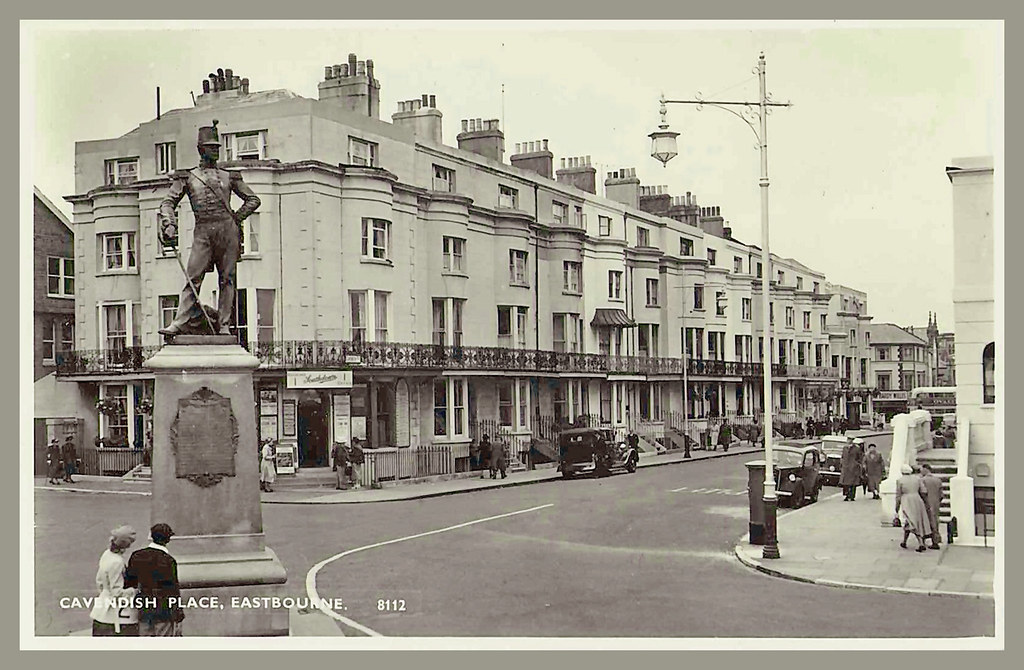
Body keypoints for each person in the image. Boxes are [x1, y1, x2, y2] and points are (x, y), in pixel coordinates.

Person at [157, 120, 261, 338]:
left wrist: (235, 218)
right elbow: (168, 202)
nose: (215, 150)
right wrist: (170, 223)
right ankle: (179, 322)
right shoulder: (188, 176)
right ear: (200, 149)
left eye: (217, 147)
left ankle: (224, 325)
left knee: (227, 279)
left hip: (227, 231)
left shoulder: (229, 176)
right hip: (203, 230)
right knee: (193, 277)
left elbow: (253, 200)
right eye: (210, 147)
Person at [125, 523, 184, 636]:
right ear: (168, 540)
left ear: (151, 536)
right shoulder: (168, 560)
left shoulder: (137, 556)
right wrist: (178, 616)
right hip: (164, 611)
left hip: (144, 608)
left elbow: (130, 583)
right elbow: (173, 590)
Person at [90, 525, 139, 636]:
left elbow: (100, 581)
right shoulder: (117, 562)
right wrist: (135, 591)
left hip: (101, 610)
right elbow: (117, 592)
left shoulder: (107, 555)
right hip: (116, 618)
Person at [894, 465, 931, 552]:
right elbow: (924, 491)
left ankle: (920, 543)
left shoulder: (900, 480)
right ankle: (904, 541)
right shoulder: (917, 479)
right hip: (917, 499)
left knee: (911, 522)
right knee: (913, 521)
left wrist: (896, 508)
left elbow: (898, 495)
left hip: (907, 500)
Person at [920, 463, 943, 549]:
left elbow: (922, 492)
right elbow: (941, 495)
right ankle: (935, 541)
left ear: (925, 469)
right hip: (936, 504)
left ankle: (922, 541)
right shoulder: (938, 480)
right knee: (935, 522)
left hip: (926, 504)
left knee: (924, 522)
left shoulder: (922, 480)